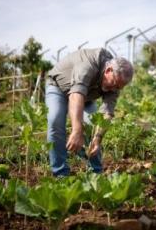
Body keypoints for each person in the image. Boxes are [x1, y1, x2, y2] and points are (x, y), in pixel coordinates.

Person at [45, 48, 134, 176]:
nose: (114, 89)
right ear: (108, 71)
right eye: (114, 84)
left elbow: (106, 113)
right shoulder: (88, 63)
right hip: (58, 87)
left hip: (86, 96)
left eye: (118, 87)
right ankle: (60, 173)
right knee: (55, 120)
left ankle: (96, 173)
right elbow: (76, 95)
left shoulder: (115, 83)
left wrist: (97, 140)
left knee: (93, 126)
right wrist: (77, 131)